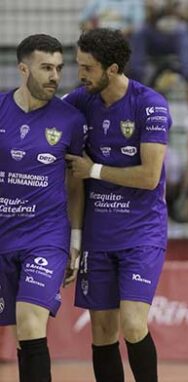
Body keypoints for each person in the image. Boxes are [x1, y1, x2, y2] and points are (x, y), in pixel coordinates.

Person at [64, 28, 170, 382]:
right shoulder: (79, 102)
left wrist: (93, 169)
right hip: (98, 235)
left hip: (141, 233)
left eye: (87, 68)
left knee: (133, 323)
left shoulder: (149, 104)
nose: (80, 74)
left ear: (112, 69)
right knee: (102, 333)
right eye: (78, 65)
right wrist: (75, 242)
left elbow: (150, 176)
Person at [0, 34, 85, 382]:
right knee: (20, 328)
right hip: (4, 235)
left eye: (59, 69)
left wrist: (75, 239)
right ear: (23, 68)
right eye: (45, 68)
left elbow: (76, 183)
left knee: (31, 320)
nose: (54, 76)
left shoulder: (71, 120)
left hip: (46, 237)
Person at [128, 0, 188, 82]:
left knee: (184, 30)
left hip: (177, 35)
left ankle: (187, 78)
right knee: (140, 31)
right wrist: (158, 11)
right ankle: (137, 79)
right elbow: (148, 17)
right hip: (156, 35)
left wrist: (176, 12)